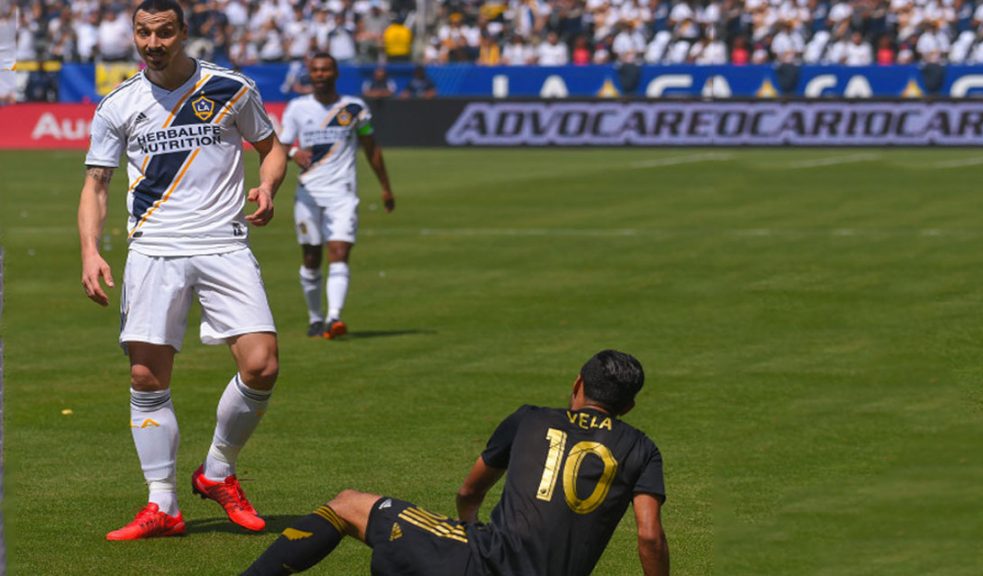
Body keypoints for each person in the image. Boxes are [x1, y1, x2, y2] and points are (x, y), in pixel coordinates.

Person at [78, 0, 288, 540]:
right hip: (154, 249)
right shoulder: (117, 105)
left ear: (183, 34)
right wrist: (90, 250)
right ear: (134, 35)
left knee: (262, 365)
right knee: (147, 378)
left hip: (223, 243)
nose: (153, 44)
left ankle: (217, 472)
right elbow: (96, 186)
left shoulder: (231, 88)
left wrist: (267, 186)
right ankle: (163, 504)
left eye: (164, 33)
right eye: (144, 33)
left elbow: (271, 148)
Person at [242, 350, 670, 576]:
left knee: (349, 504)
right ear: (628, 406)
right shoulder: (642, 448)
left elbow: (469, 492)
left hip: (484, 563)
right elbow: (649, 536)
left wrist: (469, 527)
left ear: (577, 383)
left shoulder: (532, 418)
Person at [279, 53, 395, 338]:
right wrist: (294, 152)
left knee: (339, 252)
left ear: (335, 73)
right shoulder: (297, 108)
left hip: (342, 194)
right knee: (311, 257)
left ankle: (334, 318)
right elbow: (279, 146)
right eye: (315, 70)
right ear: (309, 73)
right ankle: (315, 317)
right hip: (308, 194)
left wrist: (385, 186)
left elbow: (371, 146)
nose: (320, 74)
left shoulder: (354, 108)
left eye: (325, 69)